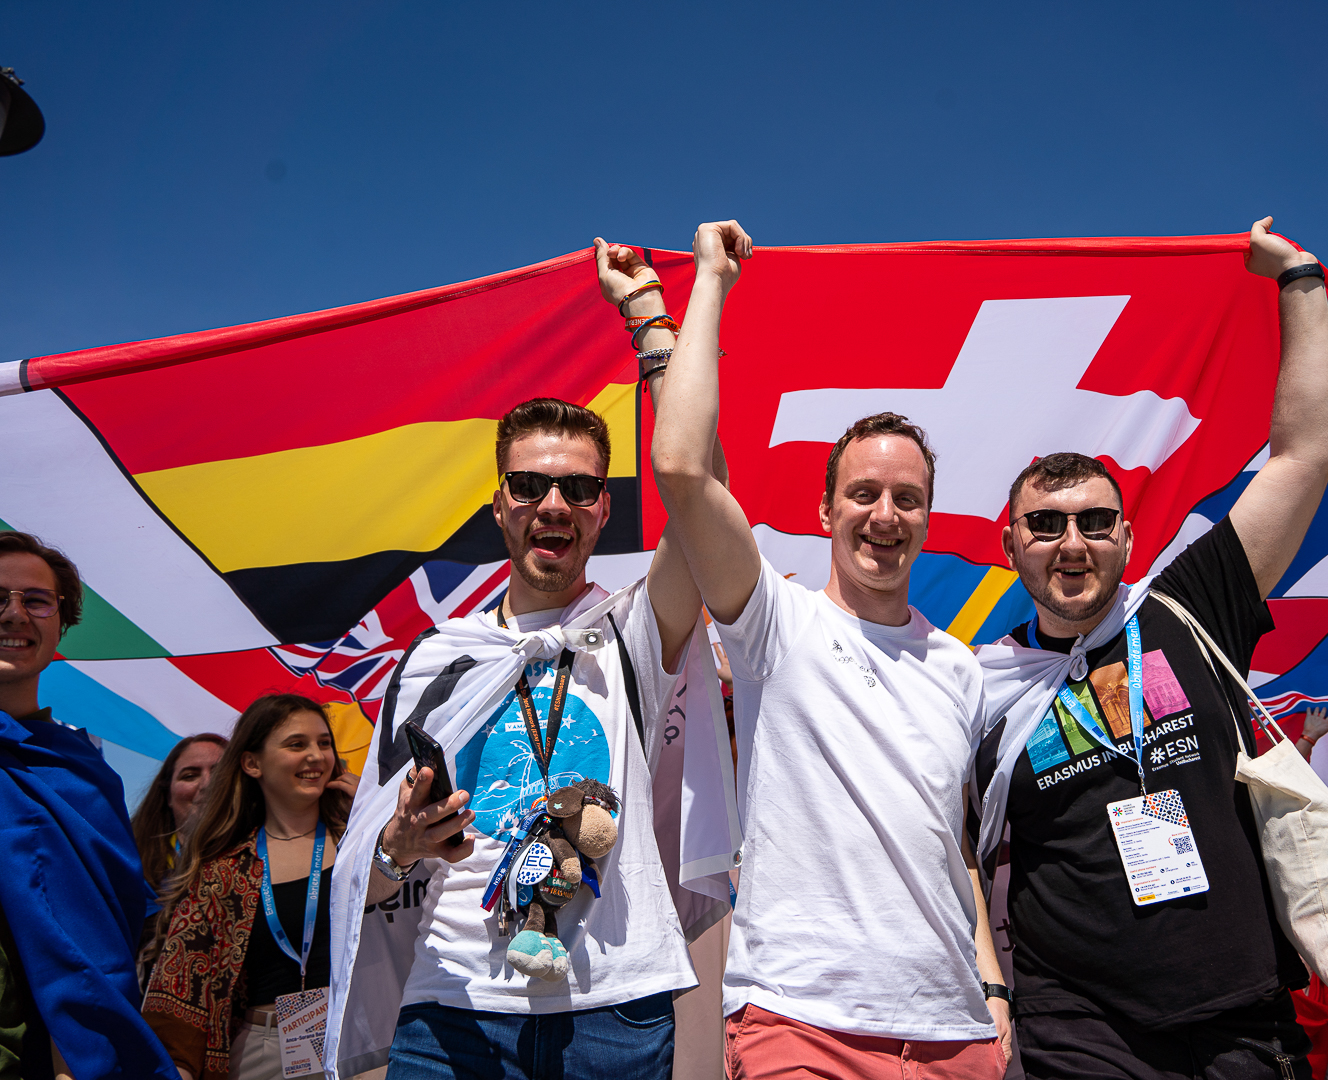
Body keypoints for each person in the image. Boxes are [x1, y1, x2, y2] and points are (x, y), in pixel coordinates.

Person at [325, 243, 733, 1080]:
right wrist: (401, 843)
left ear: (603, 511)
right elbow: (367, 877)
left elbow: (700, 497)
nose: (555, 504)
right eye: (531, 487)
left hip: (614, 1015)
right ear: (500, 509)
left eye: (579, 489)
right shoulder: (439, 659)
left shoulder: (630, 632)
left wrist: (651, 319)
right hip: (454, 1012)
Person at [972, 217, 1328, 1080]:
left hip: (1242, 1013)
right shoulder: (974, 683)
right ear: (1008, 543)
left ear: (1128, 539)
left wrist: (1301, 281)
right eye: (1047, 524)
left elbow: (1304, 453)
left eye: (1096, 522)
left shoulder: (1186, 610)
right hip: (1079, 1026)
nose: (1073, 543)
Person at [652, 219, 1007, 1079]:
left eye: (906, 498)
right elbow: (680, 468)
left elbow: (948, 843)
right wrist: (709, 285)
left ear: (928, 517)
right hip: (801, 1024)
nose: (885, 516)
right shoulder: (775, 623)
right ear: (825, 511)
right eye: (863, 494)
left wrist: (993, 993)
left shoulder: (961, 671)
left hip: (955, 1034)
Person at [0, 530, 179, 1079]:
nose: (14, 615)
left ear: (60, 625)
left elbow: (109, 927)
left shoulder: (85, 774)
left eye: (36, 600)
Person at [142, 693, 356, 1080]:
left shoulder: (362, 841)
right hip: (268, 1051)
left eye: (324, 743)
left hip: (364, 1037)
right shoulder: (222, 871)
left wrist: (371, 810)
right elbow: (179, 995)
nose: (316, 756)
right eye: (297, 744)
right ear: (252, 763)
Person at [132, 733, 229, 889]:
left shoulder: (270, 856)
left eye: (220, 773)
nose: (207, 785)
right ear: (168, 796)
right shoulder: (130, 865)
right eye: (190, 776)